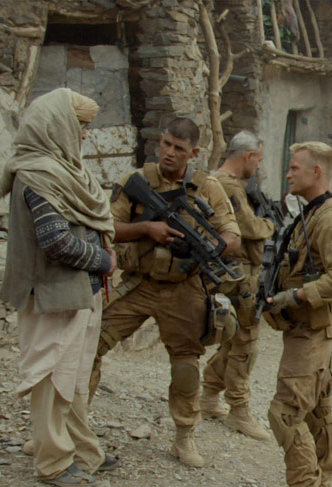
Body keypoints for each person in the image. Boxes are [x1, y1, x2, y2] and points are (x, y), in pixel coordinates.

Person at [89, 117, 241, 468]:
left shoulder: (208, 188)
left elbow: (232, 236)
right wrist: (146, 228)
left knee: (186, 364)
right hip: (140, 283)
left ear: (195, 153)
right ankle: (69, 425)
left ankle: (184, 436)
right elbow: (106, 227)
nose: (170, 153)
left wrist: (206, 246)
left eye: (179, 149)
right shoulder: (137, 182)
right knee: (89, 344)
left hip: (184, 290)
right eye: (166, 144)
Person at [0, 88, 118, 487]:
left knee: (74, 380)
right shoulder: (38, 174)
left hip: (80, 293)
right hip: (52, 294)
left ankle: (83, 452)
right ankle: (52, 462)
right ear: (58, 125)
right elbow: (56, 242)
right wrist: (104, 260)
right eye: (80, 126)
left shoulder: (66, 172)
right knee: (52, 379)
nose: (84, 135)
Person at [261, 141, 332, 487]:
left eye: (296, 167)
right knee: (317, 411)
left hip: (312, 331)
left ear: (317, 172)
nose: (288, 173)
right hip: (303, 330)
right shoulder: (310, 213)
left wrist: (297, 296)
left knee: (284, 413)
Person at [199, 130, 274, 441]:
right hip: (238, 274)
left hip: (231, 271)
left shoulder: (215, 181)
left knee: (233, 340)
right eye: (257, 159)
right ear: (247, 156)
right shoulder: (227, 185)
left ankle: (209, 395)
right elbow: (250, 227)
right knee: (246, 343)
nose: (257, 166)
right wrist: (271, 225)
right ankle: (239, 410)